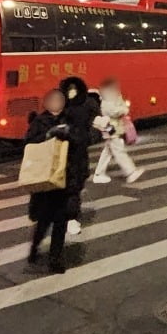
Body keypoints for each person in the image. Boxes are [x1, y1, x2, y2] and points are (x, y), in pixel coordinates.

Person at [25, 88, 92, 273]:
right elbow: (29, 144)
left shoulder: (71, 120)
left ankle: (56, 259)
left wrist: (69, 134)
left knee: (60, 222)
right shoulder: (39, 121)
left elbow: (84, 142)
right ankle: (34, 248)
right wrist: (48, 135)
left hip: (65, 178)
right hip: (45, 180)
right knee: (44, 220)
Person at [59, 76, 99, 234]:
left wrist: (88, 138)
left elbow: (96, 123)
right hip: (65, 152)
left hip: (77, 151)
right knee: (72, 186)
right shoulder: (62, 104)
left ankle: (69, 216)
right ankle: (70, 217)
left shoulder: (87, 104)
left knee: (75, 184)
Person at [91, 78, 144, 184]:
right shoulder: (107, 100)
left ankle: (99, 173)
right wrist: (124, 109)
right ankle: (130, 172)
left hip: (113, 128)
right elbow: (113, 111)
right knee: (119, 151)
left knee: (108, 151)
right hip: (111, 128)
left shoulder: (111, 98)